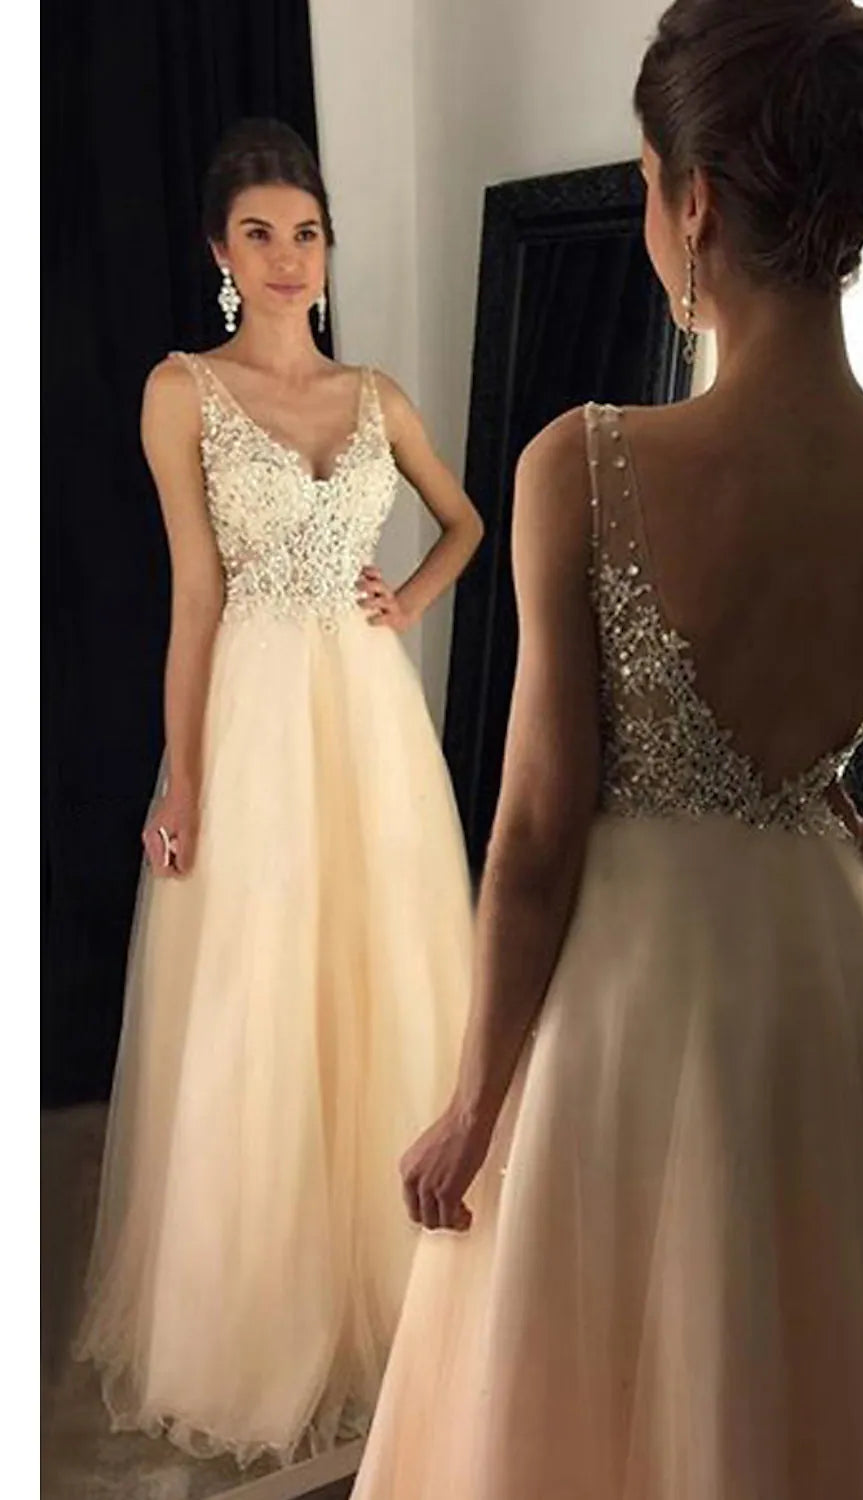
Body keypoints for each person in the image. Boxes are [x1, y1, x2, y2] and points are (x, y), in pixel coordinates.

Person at [350, 3, 863, 1496]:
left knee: (586, 1383)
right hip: (829, 997)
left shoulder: (585, 464)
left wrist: (475, 1105)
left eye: (644, 179)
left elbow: (537, 836)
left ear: (692, 201)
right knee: (783, 1378)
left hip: (634, 1002)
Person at [75, 117, 483, 1467]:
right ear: (220, 251)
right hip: (253, 717)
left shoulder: (375, 397)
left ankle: (399, 1294)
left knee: (383, 979)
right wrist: (185, 783)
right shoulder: (181, 390)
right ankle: (258, 1318)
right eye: (259, 233)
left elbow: (467, 521)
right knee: (259, 1001)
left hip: (368, 723)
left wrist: (405, 599)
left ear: (327, 247)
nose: (287, 256)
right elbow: (194, 595)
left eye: (305, 232)